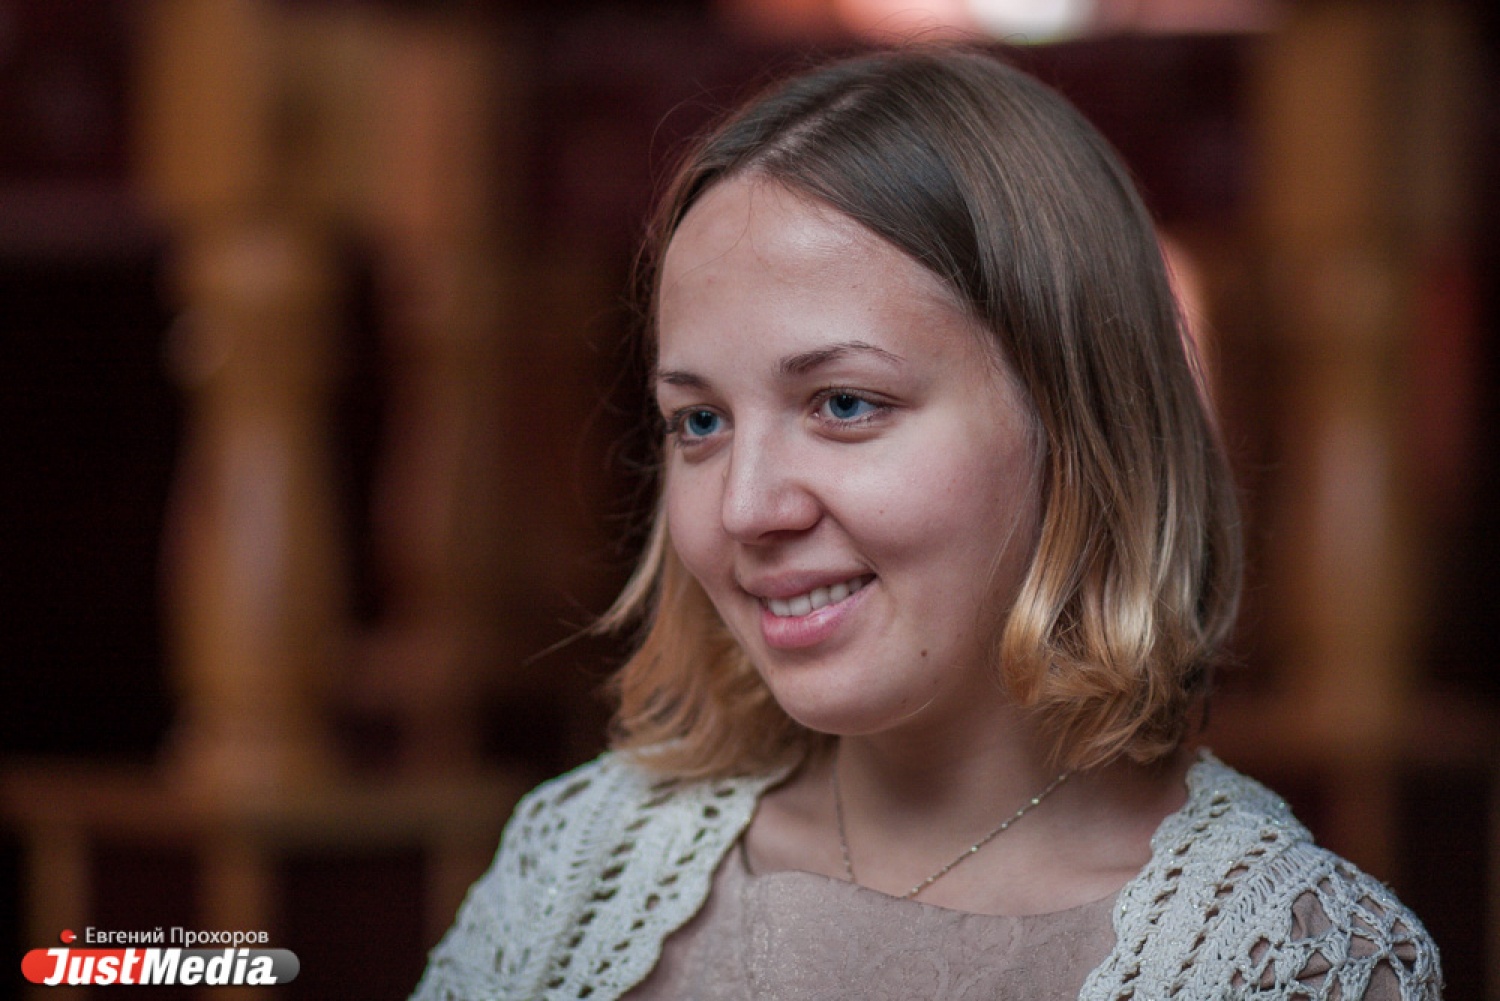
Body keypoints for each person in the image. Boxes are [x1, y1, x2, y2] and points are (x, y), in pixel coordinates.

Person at [410, 46, 1441, 1000]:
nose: (745, 507)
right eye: (701, 421)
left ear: (1075, 422)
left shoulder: (1285, 957)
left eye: (844, 403)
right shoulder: (582, 864)